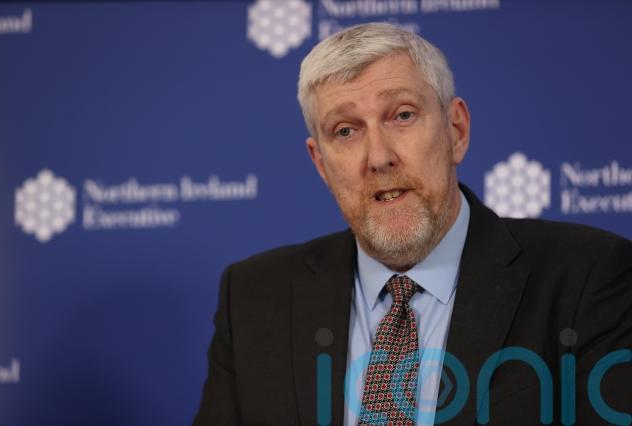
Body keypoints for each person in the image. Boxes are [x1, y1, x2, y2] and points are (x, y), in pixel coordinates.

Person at [193, 23, 632, 425]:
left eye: (402, 115)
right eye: (345, 131)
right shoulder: (252, 297)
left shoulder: (586, 277)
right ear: (321, 163)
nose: (379, 157)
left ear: (456, 130)